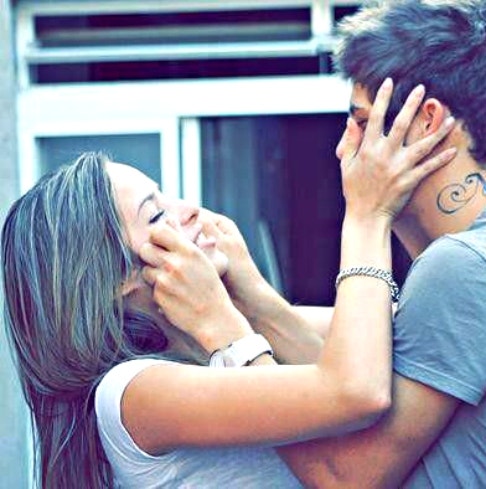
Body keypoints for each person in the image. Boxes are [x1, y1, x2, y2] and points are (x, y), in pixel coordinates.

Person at [161, 0, 486, 487]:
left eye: (361, 123)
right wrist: (252, 300)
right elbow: (356, 385)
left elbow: (343, 475)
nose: (344, 147)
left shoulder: (471, 266)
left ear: (425, 122)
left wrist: (227, 333)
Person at [0, 81, 456, 487]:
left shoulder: (206, 347)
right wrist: (366, 214)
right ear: (117, 278)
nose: (190, 211)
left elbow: (397, 334)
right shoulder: (133, 392)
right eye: (157, 215)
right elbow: (357, 392)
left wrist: (252, 297)